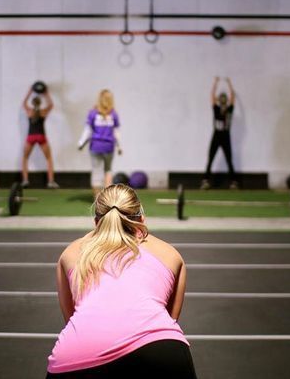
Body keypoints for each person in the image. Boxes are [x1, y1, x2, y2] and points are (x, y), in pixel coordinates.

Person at [47, 184, 197, 378]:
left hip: (78, 354)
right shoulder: (170, 254)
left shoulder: (71, 253)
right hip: (161, 351)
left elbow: (70, 318)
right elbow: (171, 317)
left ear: (96, 222)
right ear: (142, 218)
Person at [78, 90, 122, 197]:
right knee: (108, 171)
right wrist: (119, 146)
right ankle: (107, 200)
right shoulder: (113, 114)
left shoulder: (93, 113)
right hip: (109, 147)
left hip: (95, 146)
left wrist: (81, 143)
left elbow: (88, 130)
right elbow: (116, 132)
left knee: (96, 171)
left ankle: (97, 199)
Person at [201, 76, 238, 190]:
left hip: (225, 137)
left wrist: (230, 83)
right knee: (210, 158)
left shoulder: (229, 110)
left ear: (225, 101)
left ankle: (233, 182)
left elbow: (233, 97)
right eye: (220, 99)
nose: (221, 101)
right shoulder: (216, 109)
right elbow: (212, 96)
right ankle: (206, 181)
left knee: (229, 159)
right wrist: (215, 83)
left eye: (223, 99)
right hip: (216, 137)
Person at [21, 86, 59, 189]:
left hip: (31, 136)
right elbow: (51, 105)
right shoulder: (43, 112)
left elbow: (24, 103)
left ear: (32, 103)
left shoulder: (29, 111)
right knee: (49, 158)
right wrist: (46, 93)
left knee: (25, 158)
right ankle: (50, 182)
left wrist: (29, 91)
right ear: (40, 103)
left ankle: (25, 181)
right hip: (41, 136)